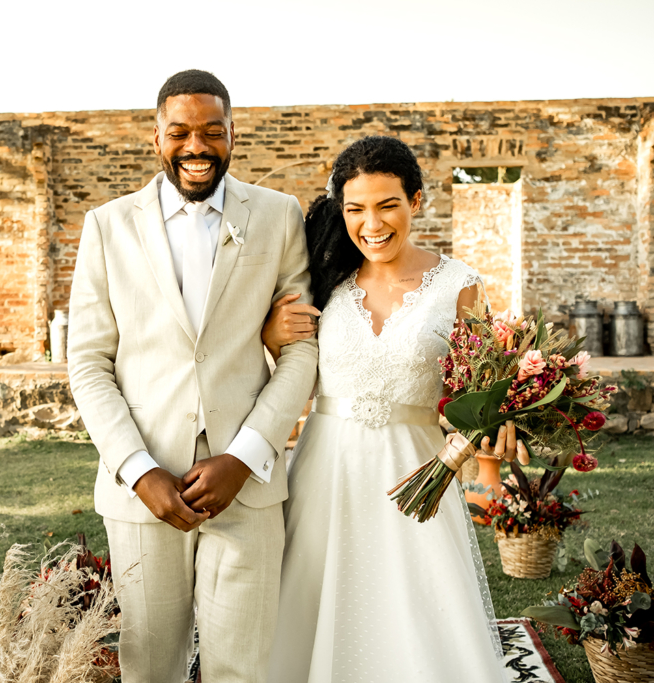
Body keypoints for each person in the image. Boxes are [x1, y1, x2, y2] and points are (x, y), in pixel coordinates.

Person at [67, 70, 319, 683]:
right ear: (157, 138)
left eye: (212, 130)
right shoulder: (107, 226)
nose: (196, 145)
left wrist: (247, 455)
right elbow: (88, 362)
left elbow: (301, 351)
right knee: (149, 668)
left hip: (247, 486)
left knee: (243, 667)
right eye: (180, 131)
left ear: (234, 134)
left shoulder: (280, 216)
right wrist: (137, 469)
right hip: (144, 493)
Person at [263, 135, 524, 682]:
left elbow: (483, 390)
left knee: (417, 613)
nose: (372, 224)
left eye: (388, 205)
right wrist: (270, 336)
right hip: (325, 472)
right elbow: (290, 376)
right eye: (356, 208)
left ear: (417, 202)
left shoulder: (459, 285)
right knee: (315, 607)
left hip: (417, 472)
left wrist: (489, 473)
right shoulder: (321, 280)